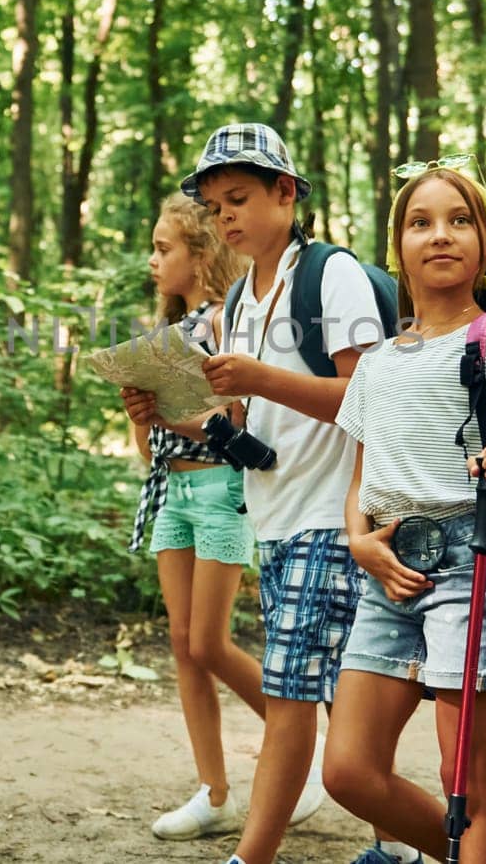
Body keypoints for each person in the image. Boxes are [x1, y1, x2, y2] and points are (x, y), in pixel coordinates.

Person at [321, 160, 486, 864]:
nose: (440, 235)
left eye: (460, 221)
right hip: (387, 571)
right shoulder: (377, 361)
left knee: (466, 783)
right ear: (398, 246)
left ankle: (478, 849)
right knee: (348, 769)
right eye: (420, 222)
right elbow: (362, 477)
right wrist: (355, 539)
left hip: (470, 562)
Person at [185, 123, 402, 864]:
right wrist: (182, 415)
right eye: (215, 208)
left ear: (287, 191)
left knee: (287, 697)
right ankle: (398, 847)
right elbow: (249, 424)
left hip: (333, 515)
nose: (226, 218)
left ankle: (251, 856)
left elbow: (368, 396)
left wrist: (257, 377)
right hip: (276, 519)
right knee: (339, 691)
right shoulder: (243, 298)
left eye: (239, 198)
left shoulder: (330, 275)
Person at [119, 194, 265, 841]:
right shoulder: (162, 337)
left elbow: (231, 423)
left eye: (163, 248)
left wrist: (172, 411)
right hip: (171, 494)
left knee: (210, 641)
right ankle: (214, 791)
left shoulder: (232, 324)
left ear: (200, 253)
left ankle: (307, 741)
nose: (153, 260)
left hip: (220, 491)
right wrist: (138, 415)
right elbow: (152, 451)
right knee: (183, 645)